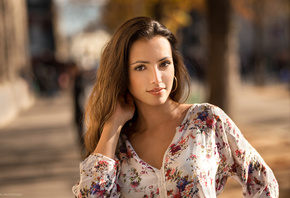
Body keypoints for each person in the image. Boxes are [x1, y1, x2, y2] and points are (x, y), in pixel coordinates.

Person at [72, 16, 278, 198]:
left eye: (163, 64)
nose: (156, 78)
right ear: (124, 74)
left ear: (174, 66)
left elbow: (262, 182)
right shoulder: (119, 145)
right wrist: (113, 124)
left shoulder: (206, 120)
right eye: (141, 67)